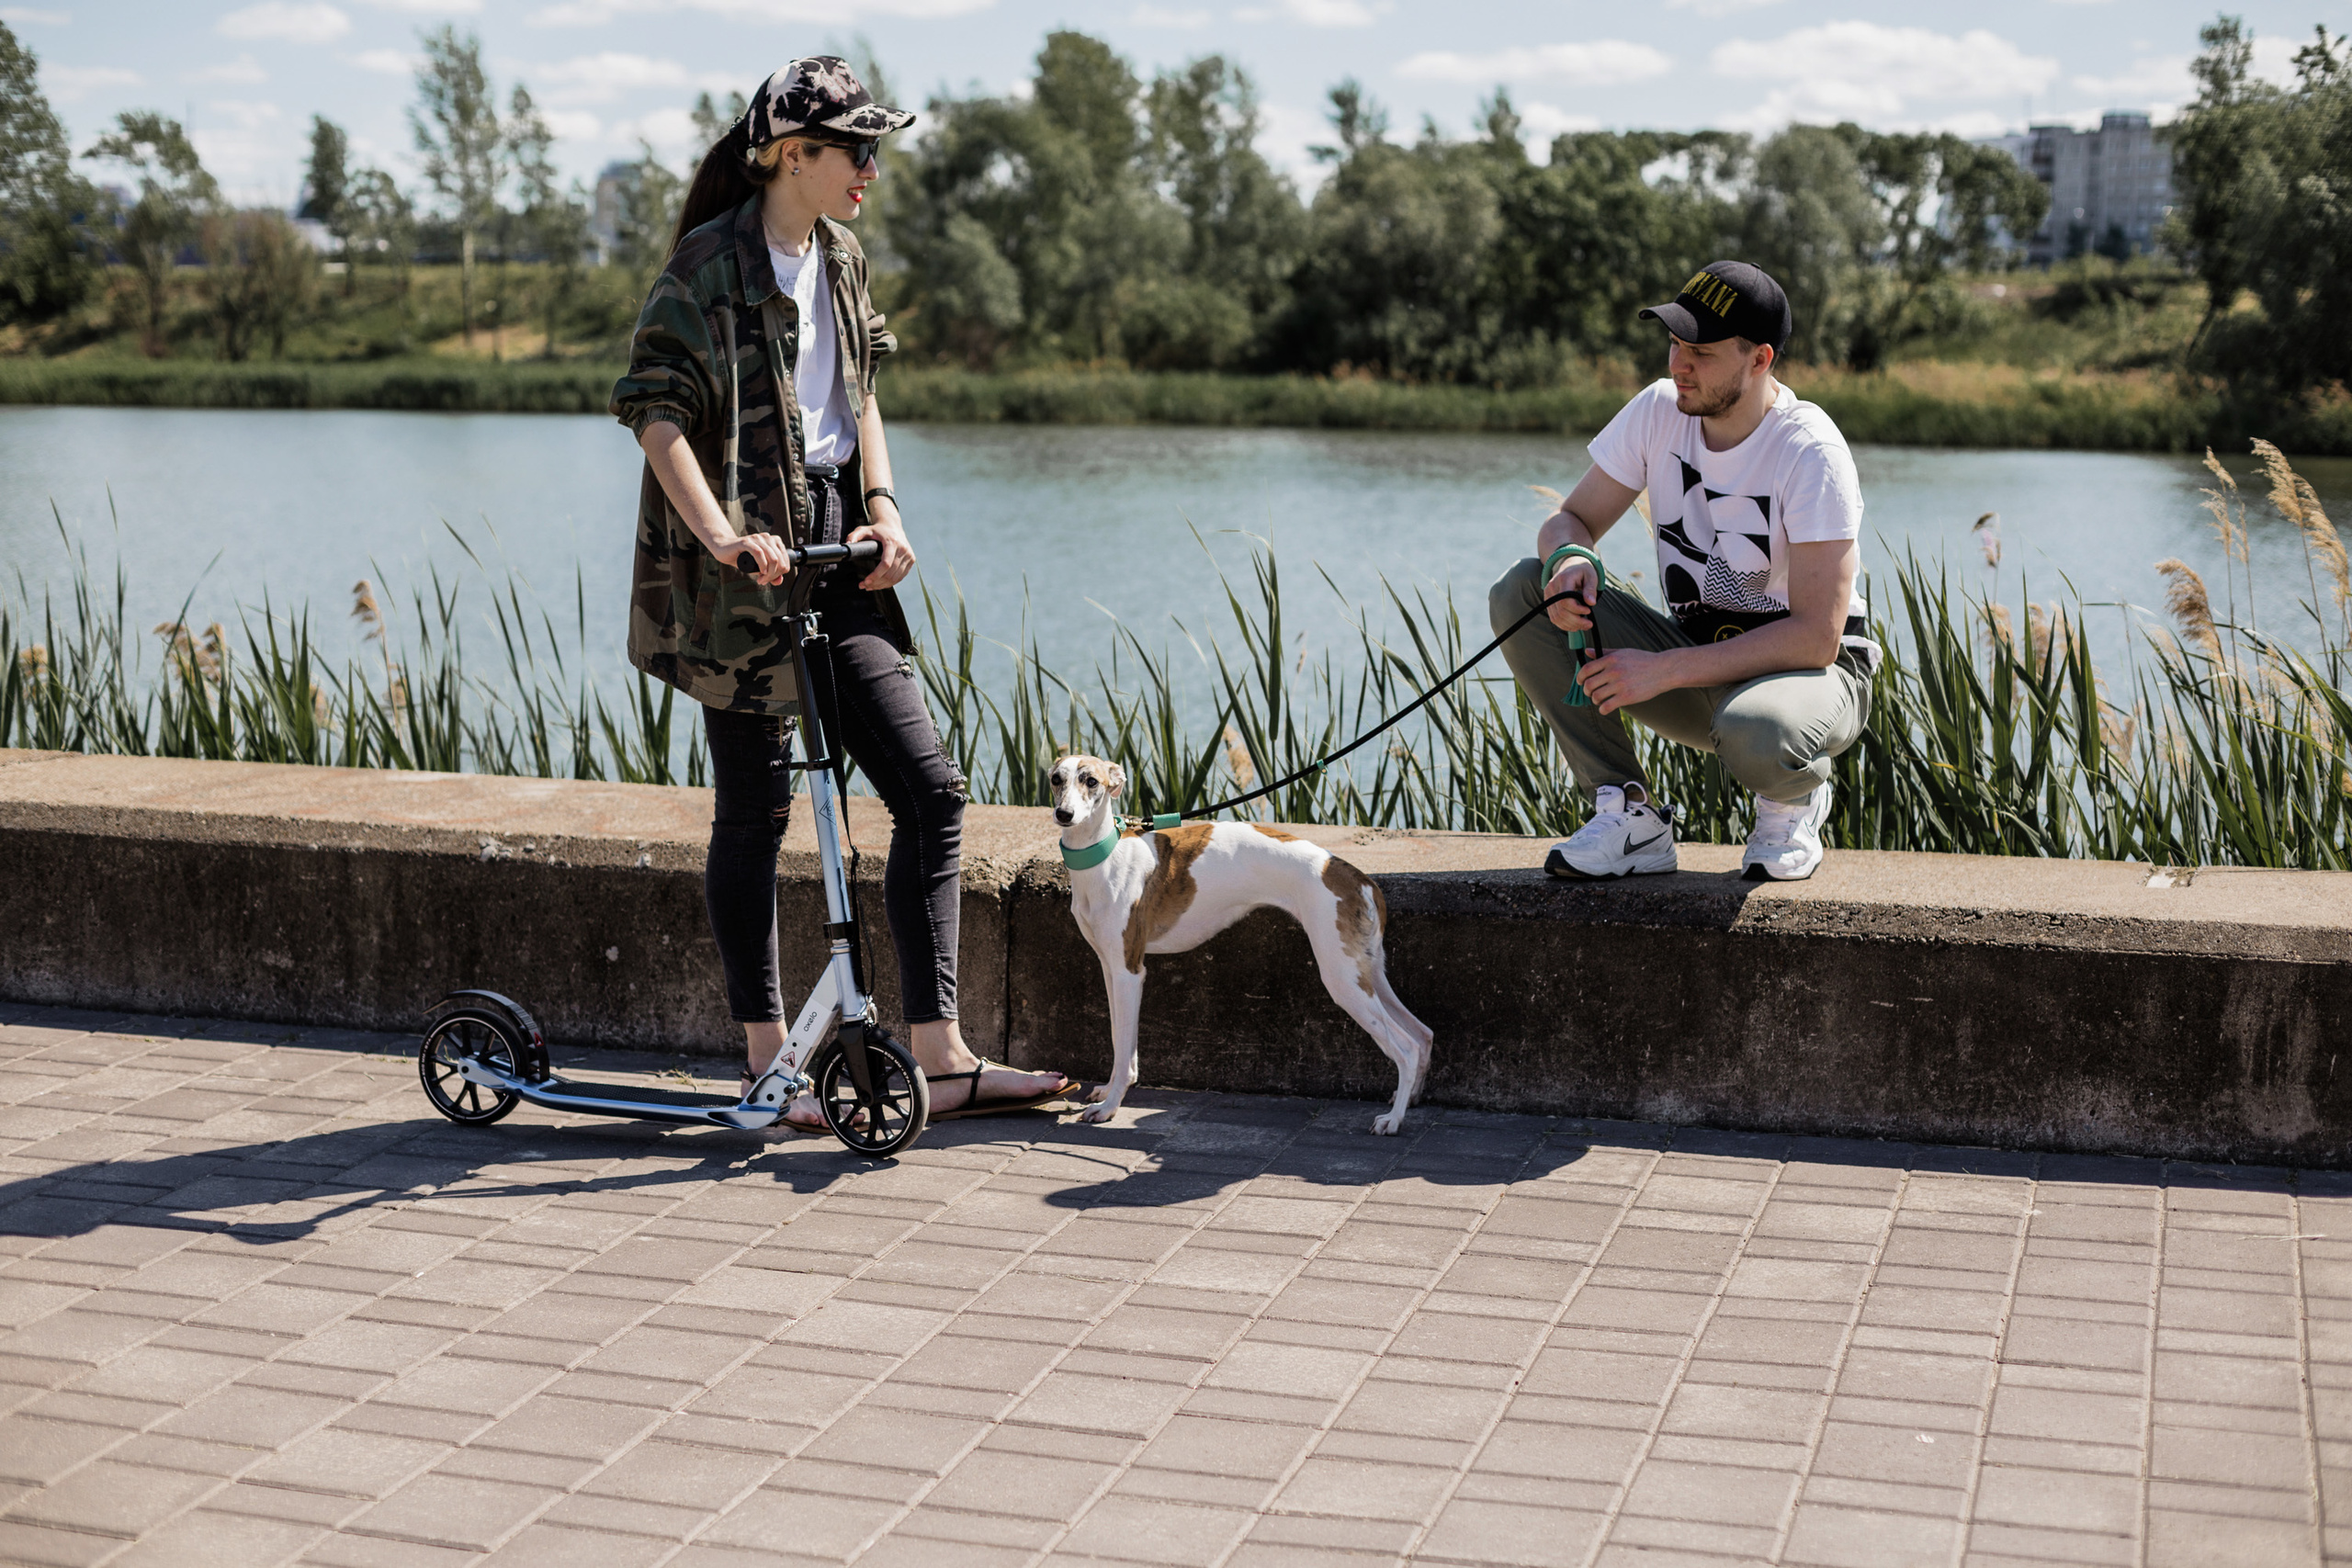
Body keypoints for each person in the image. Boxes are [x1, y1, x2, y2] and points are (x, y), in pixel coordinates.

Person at [609, 57, 1072, 1124]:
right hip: (738, 563)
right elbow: (656, 416)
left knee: (931, 791)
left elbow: (860, 392)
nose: (870, 166)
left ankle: (940, 1055)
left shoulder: (843, 257)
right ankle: (771, 1065)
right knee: (756, 812)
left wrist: (887, 507)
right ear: (789, 156)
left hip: (837, 542)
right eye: (851, 149)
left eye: (874, 147)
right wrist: (725, 537)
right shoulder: (706, 268)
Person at [1490, 261, 1875, 883]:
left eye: (1699, 350)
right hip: (1701, 664)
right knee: (1523, 590)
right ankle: (1630, 815)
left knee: (1758, 726)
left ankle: (1792, 800)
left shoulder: (1811, 451)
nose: (1677, 365)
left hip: (1814, 680)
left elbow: (1816, 636)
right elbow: (1571, 519)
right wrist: (1569, 562)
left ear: (1759, 360)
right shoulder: (1658, 412)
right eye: (1674, 343)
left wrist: (1663, 669)